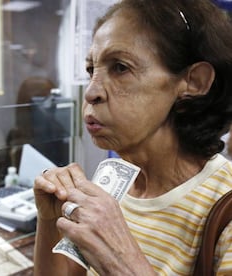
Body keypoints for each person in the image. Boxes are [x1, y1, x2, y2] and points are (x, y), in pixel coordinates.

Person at [33, 0, 232, 275]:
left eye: (120, 68)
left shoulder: (225, 205)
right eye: (92, 70)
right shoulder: (112, 184)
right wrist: (49, 219)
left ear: (193, 81)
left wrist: (122, 260)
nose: (92, 92)